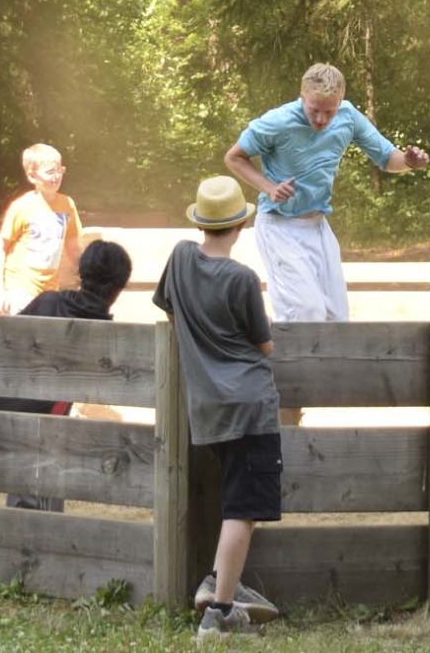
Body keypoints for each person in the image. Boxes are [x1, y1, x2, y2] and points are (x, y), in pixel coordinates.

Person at [157, 177, 286, 641]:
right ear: (242, 222)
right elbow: (265, 346)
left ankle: (218, 581)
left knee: (235, 494)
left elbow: (170, 310)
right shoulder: (241, 279)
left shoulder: (179, 259)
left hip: (207, 407)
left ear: (199, 220)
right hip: (250, 405)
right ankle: (222, 612)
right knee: (243, 509)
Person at [221, 63, 430, 323]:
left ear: (340, 101)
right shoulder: (277, 121)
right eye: (314, 110)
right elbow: (234, 157)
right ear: (302, 97)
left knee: (337, 319)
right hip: (279, 226)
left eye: (329, 112)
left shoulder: (349, 117)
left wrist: (410, 162)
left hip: (318, 226)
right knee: (306, 314)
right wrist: (270, 187)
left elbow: (388, 158)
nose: (321, 119)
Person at [0, 240, 133, 512]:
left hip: (0, 407)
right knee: (38, 491)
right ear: (119, 288)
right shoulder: (105, 334)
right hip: (42, 427)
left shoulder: (47, 301)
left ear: (81, 274)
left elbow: (3, 341)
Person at [0, 144, 85, 316]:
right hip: (20, 288)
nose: (56, 176)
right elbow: (0, 249)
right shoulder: (22, 206)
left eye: (60, 170)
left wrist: (90, 275)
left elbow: (72, 247)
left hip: (50, 290)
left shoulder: (67, 204)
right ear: (32, 176)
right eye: (50, 172)